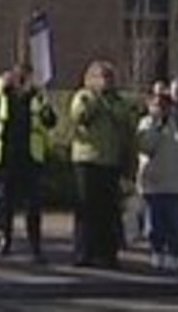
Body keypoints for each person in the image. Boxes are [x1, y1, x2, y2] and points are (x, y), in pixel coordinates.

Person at [0, 65, 57, 262]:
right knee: (6, 203)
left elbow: (50, 121)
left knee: (33, 205)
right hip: (6, 157)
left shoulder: (37, 98)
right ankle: (6, 239)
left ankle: (35, 245)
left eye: (27, 78)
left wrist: (45, 101)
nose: (23, 82)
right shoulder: (2, 96)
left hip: (31, 157)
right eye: (20, 78)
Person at [69, 60, 137, 269]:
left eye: (109, 77)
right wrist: (95, 100)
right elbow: (78, 116)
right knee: (87, 208)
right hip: (87, 159)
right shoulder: (84, 96)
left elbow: (127, 125)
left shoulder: (118, 101)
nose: (106, 81)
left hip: (110, 160)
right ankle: (84, 252)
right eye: (102, 77)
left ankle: (107, 253)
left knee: (108, 210)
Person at [136, 87, 178, 273]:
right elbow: (145, 147)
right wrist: (157, 126)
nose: (161, 108)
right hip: (154, 183)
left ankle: (174, 254)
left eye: (165, 104)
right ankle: (157, 252)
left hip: (177, 184)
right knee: (156, 223)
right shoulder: (146, 124)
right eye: (156, 104)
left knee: (175, 224)